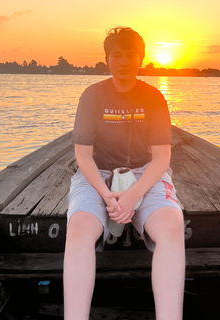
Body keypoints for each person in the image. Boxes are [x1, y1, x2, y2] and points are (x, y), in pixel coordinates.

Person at [63, 27, 185, 320]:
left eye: (130, 55)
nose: (123, 61)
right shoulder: (92, 96)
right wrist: (107, 195)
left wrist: (134, 194)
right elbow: (83, 155)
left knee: (171, 224)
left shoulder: (154, 97)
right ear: (107, 59)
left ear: (140, 59)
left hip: (145, 172)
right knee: (79, 226)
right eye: (116, 55)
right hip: (98, 173)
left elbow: (161, 156)